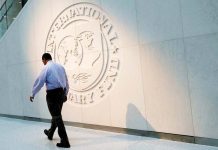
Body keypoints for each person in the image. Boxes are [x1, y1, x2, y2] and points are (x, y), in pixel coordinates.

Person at [29, 53, 70, 148]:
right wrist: (65, 94)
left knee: (57, 117)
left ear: (44, 59)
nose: (42, 62)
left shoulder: (46, 67)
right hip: (61, 93)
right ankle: (50, 133)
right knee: (56, 115)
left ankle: (65, 141)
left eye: (42, 61)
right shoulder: (60, 67)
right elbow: (66, 82)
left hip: (52, 95)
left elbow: (39, 81)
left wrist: (33, 93)